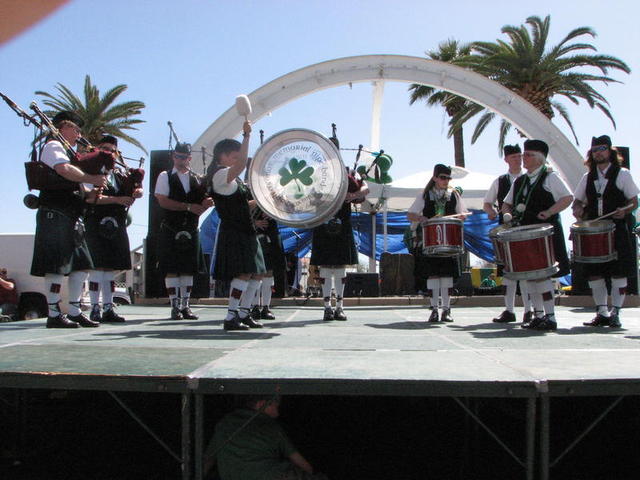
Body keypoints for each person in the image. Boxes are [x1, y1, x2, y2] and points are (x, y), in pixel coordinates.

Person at [30, 111, 108, 328]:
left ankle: (74, 311)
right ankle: (54, 314)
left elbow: (80, 186)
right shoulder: (53, 146)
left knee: (81, 266)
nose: (79, 133)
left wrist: (94, 191)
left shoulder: (71, 155)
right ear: (62, 127)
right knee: (56, 266)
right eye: (75, 128)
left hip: (72, 216)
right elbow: (63, 170)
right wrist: (91, 178)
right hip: (55, 213)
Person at [502, 139, 573, 331]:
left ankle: (550, 317)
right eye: (524, 154)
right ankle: (538, 315)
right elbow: (506, 203)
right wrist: (507, 212)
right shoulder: (520, 181)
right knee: (530, 277)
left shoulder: (551, 178)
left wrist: (549, 212)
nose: (524, 158)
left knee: (543, 276)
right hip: (525, 233)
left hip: (545, 233)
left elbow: (567, 198)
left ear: (540, 159)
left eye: (528, 155)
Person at [572, 135, 639, 328]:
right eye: (595, 150)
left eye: (602, 148)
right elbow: (577, 200)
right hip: (595, 230)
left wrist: (624, 210)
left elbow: (634, 201)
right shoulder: (588, 177)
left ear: (610, 151)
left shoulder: (623, 174)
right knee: (595, 273)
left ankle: (615, 312)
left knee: (619, 273)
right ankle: (601, 311)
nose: (598, 153)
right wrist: (577, 209)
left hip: (617, 229)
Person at [207, 121, 266, 331]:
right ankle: (231, 317)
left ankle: (244, 313)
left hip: (246, 230)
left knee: (257, 274)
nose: (236, 159)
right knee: (243, 273)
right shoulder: (220, 175)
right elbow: (242, 164)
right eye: (232, 155)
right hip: (234, 231)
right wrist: (247, 136)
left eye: (236, 155)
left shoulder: (234, 181)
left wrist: (263, 200)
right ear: (220, 157)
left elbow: (242, 205)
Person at [84, 135, 143, 323]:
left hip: (116, 224)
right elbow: (89, 198)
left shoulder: (119, 175)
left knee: (109, 269)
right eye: (104, 148)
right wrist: (117, 200)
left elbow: (128, 195)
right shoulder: (91, 172)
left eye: (111, 149)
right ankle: (94, 308)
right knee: (97, 266)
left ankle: (108, 307)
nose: (108, 152)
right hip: (96, 222)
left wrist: (135, 192)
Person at [204, 395, 328, 480]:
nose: (278, 413)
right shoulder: (270, 426)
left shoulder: (224, 423)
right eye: (276, 406)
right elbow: (304, 466)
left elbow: (207, 461)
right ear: (262, 404)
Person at [155, 142, 213, 320]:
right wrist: (188, 207)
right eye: (177, 156)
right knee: (172, 268)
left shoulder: (197, 179)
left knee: (188, 269)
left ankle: (185, 306)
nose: (181, 160)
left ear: (189, 158)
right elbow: (162, 200)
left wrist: (205, 205)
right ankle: (174, 306)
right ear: (173, 157)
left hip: (191, 228)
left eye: (184, 157)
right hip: (171, 227)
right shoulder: (165, 176)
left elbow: (203, 204)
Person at [408, 164, 468, 322]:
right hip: (431, 242)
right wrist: (420, 218)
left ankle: (446, 310)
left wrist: (461, 216)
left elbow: (463, 214)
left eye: (448, 178)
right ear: (435, 178)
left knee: (447, 277)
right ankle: (434, 309)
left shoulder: (454, 194)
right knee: (433, 276)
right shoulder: (425, 195)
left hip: (449, 242)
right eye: (443, 177)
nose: (446, 180)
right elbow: (410, 215)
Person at [483, 144, 534, 324]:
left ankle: (529, 310)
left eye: (519, 156)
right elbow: (487, 203)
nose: (517, 159)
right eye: (513, 157)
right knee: (507, 272)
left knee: (526, 271)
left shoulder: (530, 177)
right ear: (506, 159)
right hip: (505, 230)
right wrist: (490, 212)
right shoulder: (500, 181)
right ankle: (509, 310)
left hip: (526, 228)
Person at [310, 168, 368, 322]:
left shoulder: (346, 178)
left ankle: (340, 307)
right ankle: (327, 307)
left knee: (340, 267)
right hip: (323, 224)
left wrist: (353, 195)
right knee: (326, 267)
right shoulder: (317, 176)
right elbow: (309, 197)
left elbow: (365, 189)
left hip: (342, 225)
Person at [250, 211, 285, 321]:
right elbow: (240, 211)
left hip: (272, 233)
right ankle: (254, 307)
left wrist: (274, 212)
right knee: (256, 271)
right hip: (253, 233)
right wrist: (254, 222)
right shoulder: (250, 194)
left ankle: (266, 307)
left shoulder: (273, 194)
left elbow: (287, 209)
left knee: (269, 271)